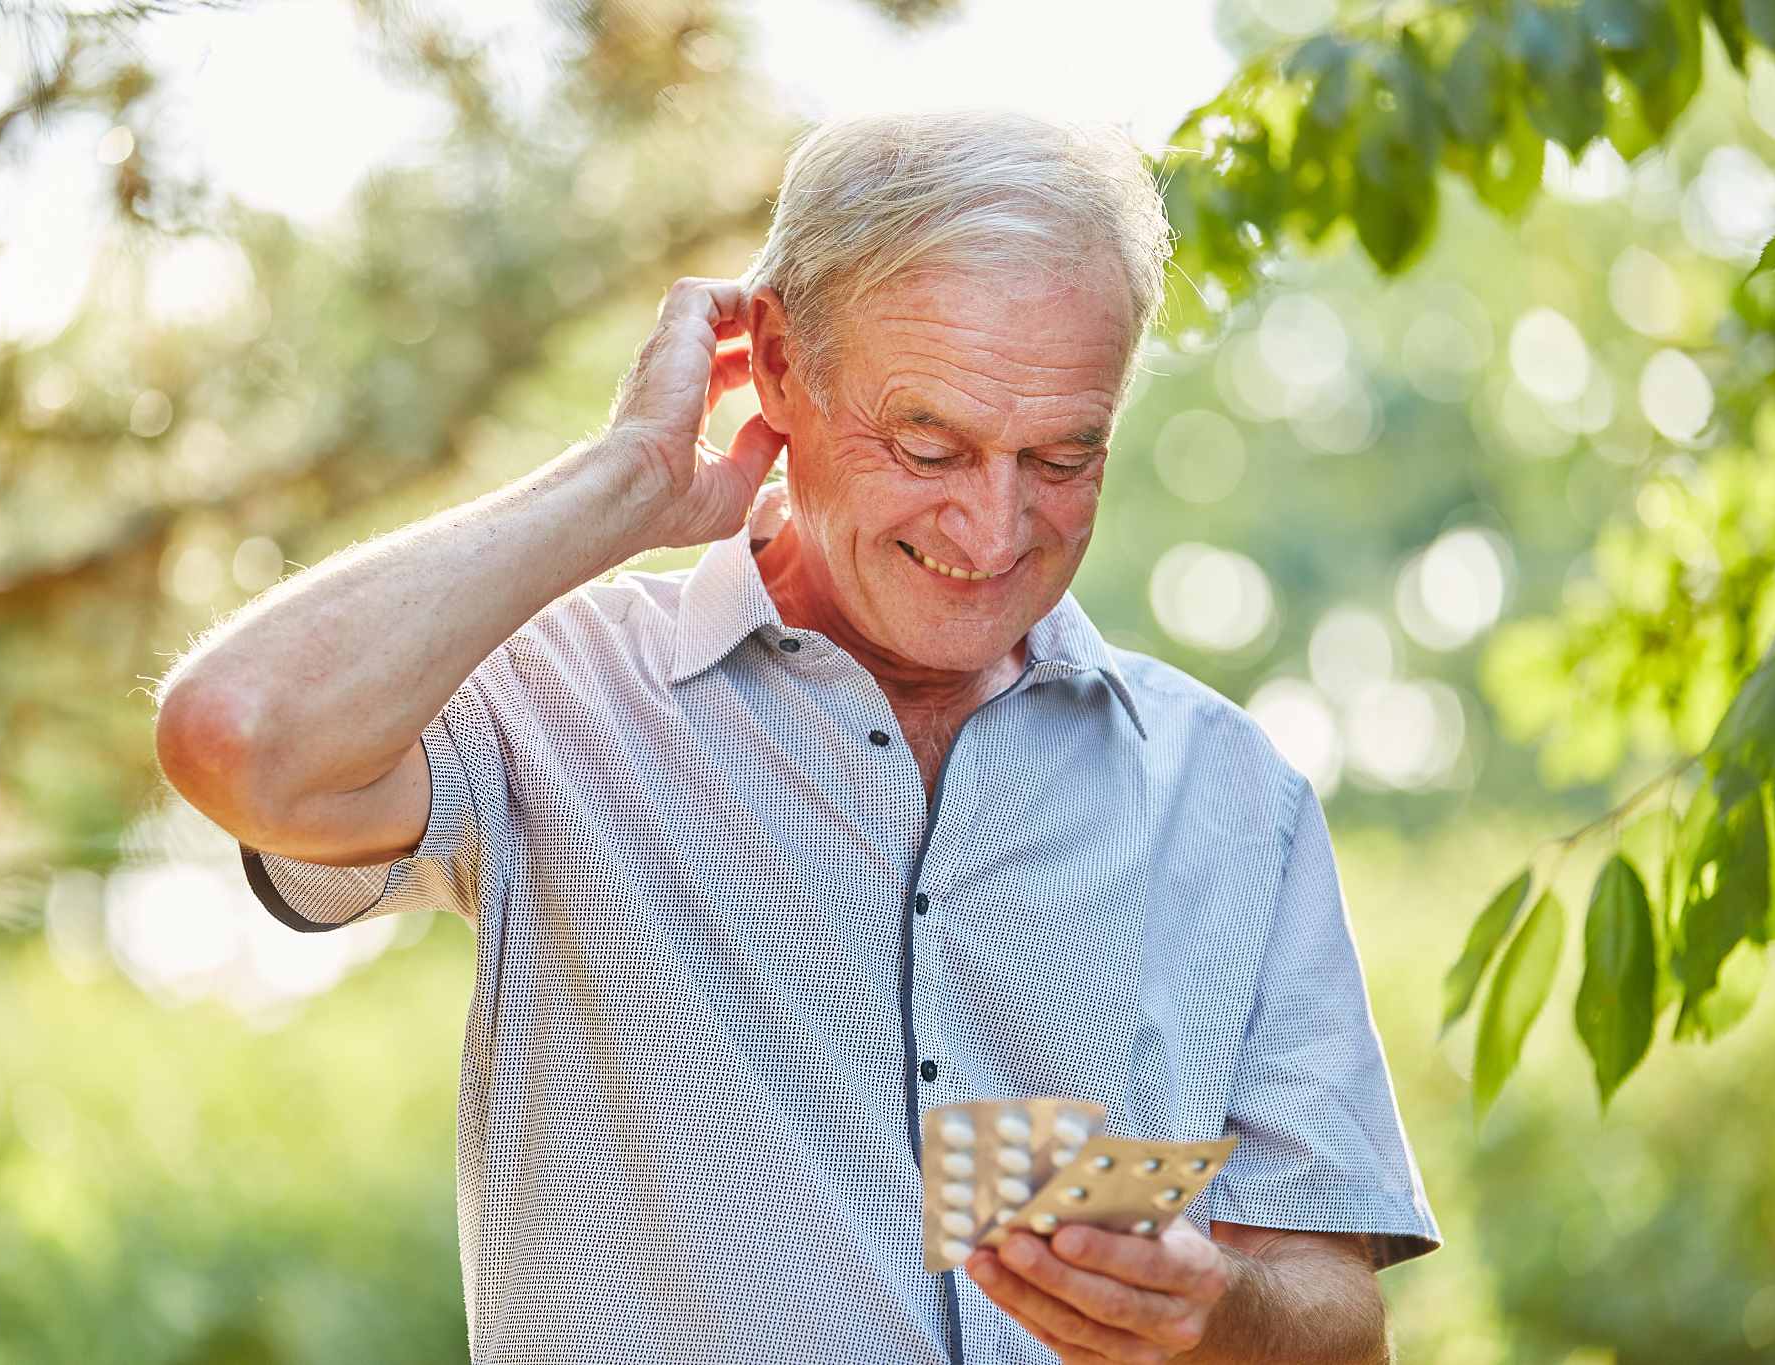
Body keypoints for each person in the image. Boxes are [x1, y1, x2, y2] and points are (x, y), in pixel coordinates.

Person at [155, 111, 1439, 1365]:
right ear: (775, 367)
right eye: (926, 442)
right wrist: (624, 486)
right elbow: (239, 736)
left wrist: (1211, 1315)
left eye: (1061, 457)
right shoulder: (551, 697)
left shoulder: (1230, 793)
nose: (992, 534)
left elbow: (1330, 1309)